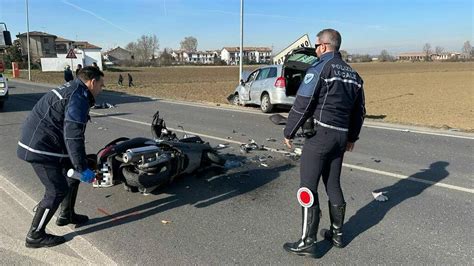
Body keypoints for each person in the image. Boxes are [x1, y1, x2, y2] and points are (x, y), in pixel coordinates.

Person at [282, 29, 365, 257]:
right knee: (333, 185)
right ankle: (337, 235)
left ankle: (307, 241)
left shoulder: (320, 68)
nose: (316, 49)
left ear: (325, 46)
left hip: (320, 135)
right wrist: (351, 138)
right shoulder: (354, 75)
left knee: (307, 186)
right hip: (340, 138)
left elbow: (303, 102)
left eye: (317, 45)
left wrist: (289, 131)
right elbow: (360, 112)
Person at [17, 66, 105, 248]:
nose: (101, 90)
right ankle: (35, 235)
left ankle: (66, 214)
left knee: (71, 176)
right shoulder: (78, 97)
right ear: (92, 82)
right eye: (101, 85)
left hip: (46, 143)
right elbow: (73, 135)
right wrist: (82, 168)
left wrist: (79, 166)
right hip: (40, 148)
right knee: (56, 190)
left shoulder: (73, 89)